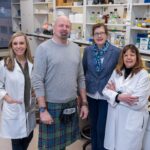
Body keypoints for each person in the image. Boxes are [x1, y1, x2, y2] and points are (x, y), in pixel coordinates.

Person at [31, 15, 88, 150]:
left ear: (70, 29)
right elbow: (37, 80)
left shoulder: (75, 48)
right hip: (51, 106)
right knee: (49, 147)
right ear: (54, 28)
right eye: (61, 25)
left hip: (71, 104)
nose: (64, 28)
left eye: (67, 26)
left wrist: (84, 103)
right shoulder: (43, 49)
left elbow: (80, 77)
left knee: (62, 145)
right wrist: (43, 109)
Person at [102, 44, 150, 150]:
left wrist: (115, 95)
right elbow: (105, 91)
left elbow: (138, 102)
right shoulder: (117, 72)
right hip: (115, 119)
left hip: (131, 120)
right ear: (122, 58)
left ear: (137, 57)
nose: (128, 57)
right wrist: (120, 96)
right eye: (126, 55)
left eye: (132, 55)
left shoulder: (143, 75)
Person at [82, 23, 120, 150]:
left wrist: (116, 88)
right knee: (93, 126)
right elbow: (84, 70)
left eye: (101, 33)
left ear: (107, 35)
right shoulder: (88, 51)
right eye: (96, 33)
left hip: (106, 95)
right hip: (91, 93)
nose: (99, 36)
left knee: (102, 128)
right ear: (93, 36)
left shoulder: (116, 52)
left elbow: (119, 73)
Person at [0, 32, 36, 150]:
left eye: (21, 43)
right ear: (11, 46)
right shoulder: (5, 64)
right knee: (17, 144)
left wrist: (34, 90)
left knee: (29, 136)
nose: (18, 46)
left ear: (26, 45)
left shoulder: (32, 64)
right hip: (14, 109)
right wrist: (6, 97)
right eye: (15, 43)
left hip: (28, 109)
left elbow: (35, 82)